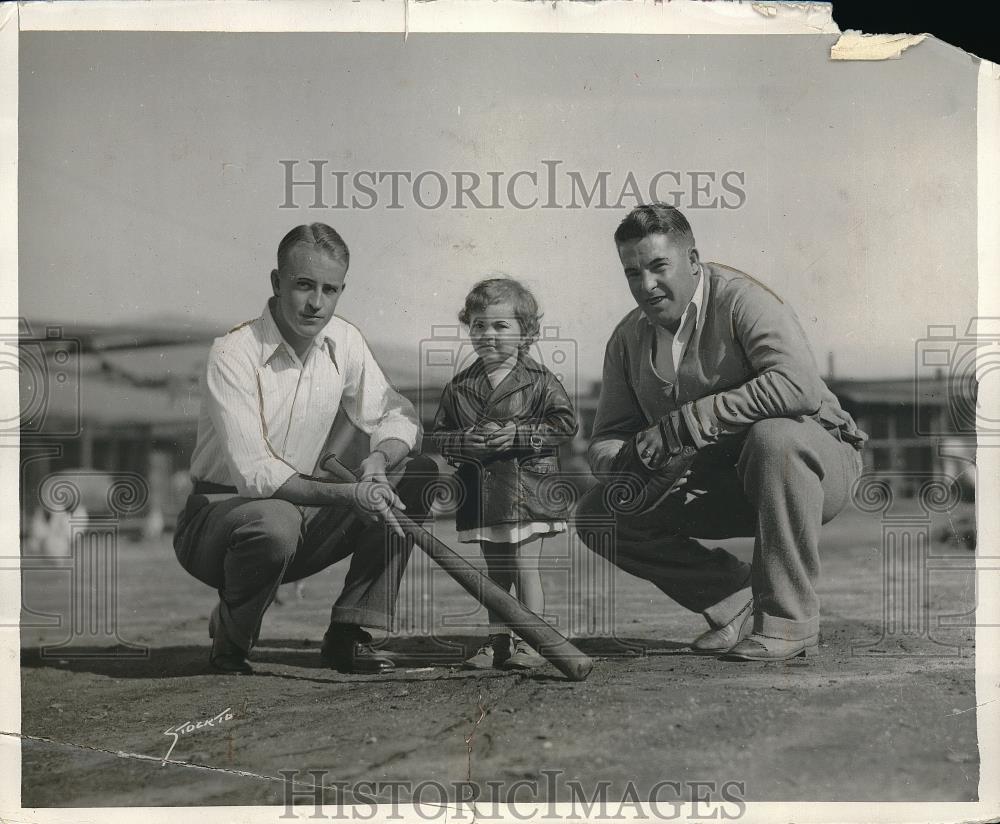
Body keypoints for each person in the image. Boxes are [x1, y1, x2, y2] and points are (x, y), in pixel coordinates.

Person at [575, 204, 866, 661]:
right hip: (716, 483)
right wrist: (620, 464)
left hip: (815, 468)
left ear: (693, 261)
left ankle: (790, 622)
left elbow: (799, 387)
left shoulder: (741, 300)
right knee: (599, 513)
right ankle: (734, 601)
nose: (646, 285)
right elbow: (609, 433)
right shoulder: (626, 337)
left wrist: (687, 422)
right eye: (632, 273)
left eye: (657, 267)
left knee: (775, 437)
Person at [174, 223, 438, 675]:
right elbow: (257, 476)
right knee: (272, 520)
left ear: (341, 290)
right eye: (303, 285)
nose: (316, 303)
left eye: (329, 289)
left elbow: (397, 414)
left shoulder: (345, 340)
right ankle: (232, 639)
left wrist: (378, 459)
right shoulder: (233, 352)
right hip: (219, 521)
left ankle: (349, 634)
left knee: (417, 475)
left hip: (300, 517)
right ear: (276, 283)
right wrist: (349, 495)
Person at [432, 278, 578, 670]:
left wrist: (519, 434)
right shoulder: (459, 387)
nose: (488, 335)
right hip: (484, 492)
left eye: (501, 326)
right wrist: (466, 443)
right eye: (479, 325)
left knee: (524, 567)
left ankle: (534, 642)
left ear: (526, 332)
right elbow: (440, 436)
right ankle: (498, 643)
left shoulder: (542, 380)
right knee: (496, 573)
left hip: (530, 490)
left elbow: (565, 426)